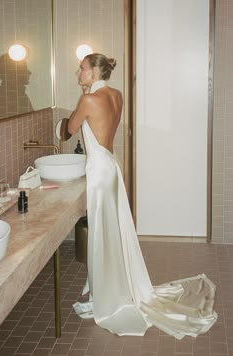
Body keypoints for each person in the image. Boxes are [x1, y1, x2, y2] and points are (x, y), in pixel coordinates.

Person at [67, 53, 217, 339]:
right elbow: (106, 128)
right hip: (111, 165)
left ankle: (102, 293)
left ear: (96, 72)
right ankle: (98, 285)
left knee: (102, 232)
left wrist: (73, 111)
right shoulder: (117, 95)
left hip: (98, 171)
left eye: (82, 69)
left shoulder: (88, 100)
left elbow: (69, 130)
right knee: (113, 230)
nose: (78, 73)